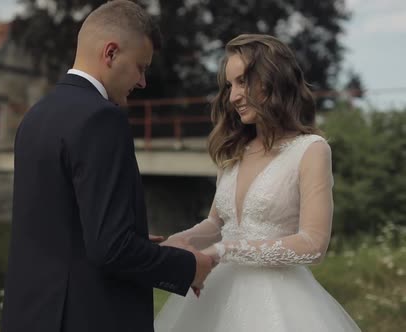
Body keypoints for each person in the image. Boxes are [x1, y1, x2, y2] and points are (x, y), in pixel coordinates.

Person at [0, 1, 214, 332]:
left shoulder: (36, 116)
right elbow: (110, 250)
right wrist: (188, 266)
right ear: (111, 53)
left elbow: (61, 229)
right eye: (141, 67)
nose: (142, 82)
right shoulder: (102, 118)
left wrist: (142, 245)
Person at [154, 34, 361, 331]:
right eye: (229, 86)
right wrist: (180, 242)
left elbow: (314, 245)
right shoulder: (234, 149)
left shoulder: (311, 150)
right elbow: (216, 224)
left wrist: (225, 251)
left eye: (243, 82)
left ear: (273, 79)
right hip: (213, 296)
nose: (234, 96)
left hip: (278, 304)